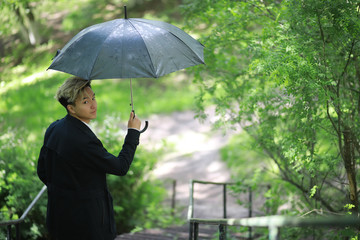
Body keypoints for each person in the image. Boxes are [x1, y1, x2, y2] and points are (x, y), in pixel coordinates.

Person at [37, 77, 141, 240]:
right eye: (85, 102)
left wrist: (65, 192)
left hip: (59, 218)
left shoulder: (54, 128)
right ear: (71, 108)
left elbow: (43, 171)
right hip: (87, 225)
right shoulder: (83, 141)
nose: (93, 105)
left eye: (93, 98)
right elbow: (120, 167)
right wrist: (133, 133)